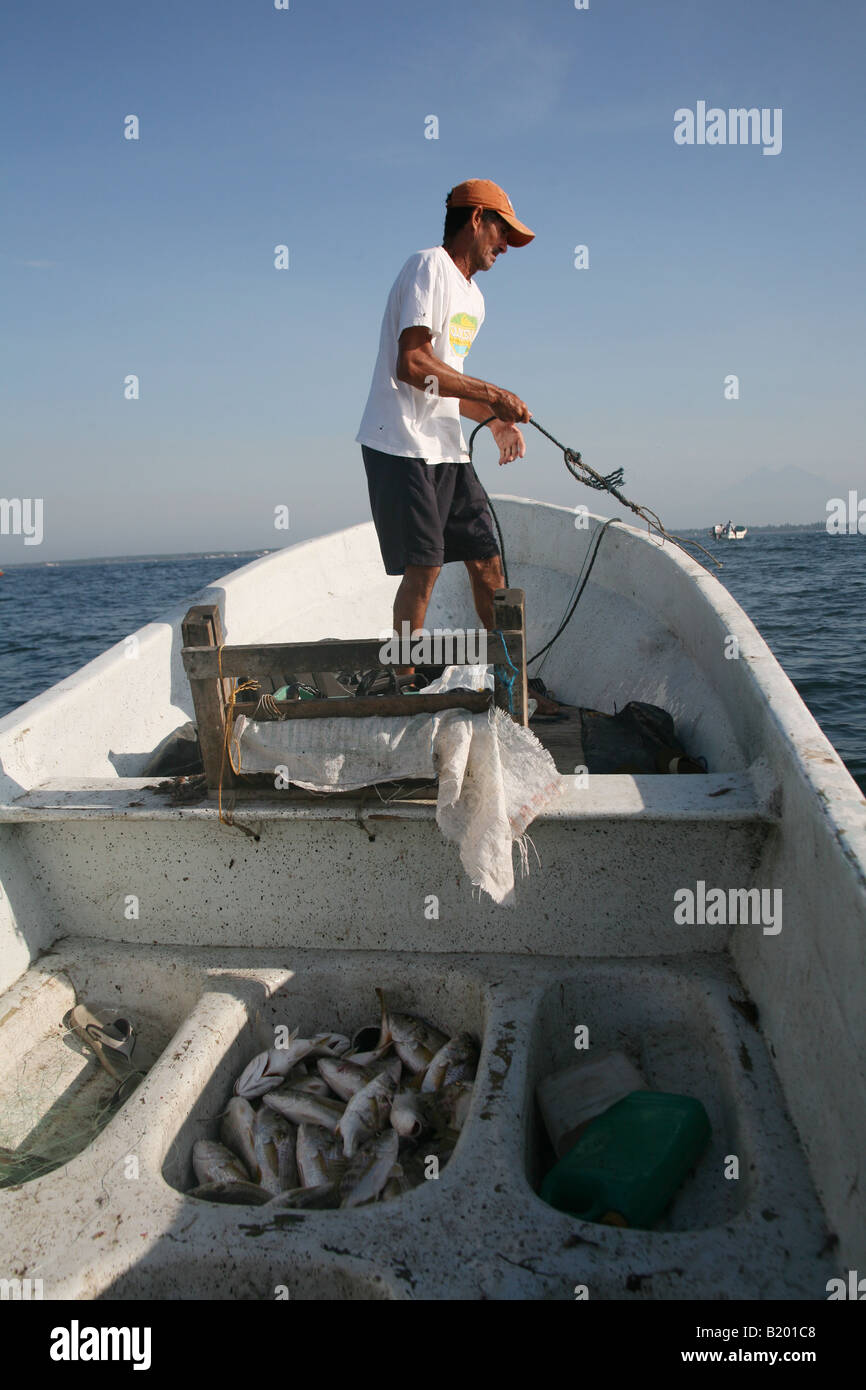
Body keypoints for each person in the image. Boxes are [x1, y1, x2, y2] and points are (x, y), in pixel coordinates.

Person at [356, 178, 538, 645]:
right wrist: (494, 393)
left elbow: (444, 380)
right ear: (476, 219)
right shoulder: (427, 267)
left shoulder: (475, 299)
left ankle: (508, 674)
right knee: (425, 566)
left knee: (486, 558)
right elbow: (413, 363)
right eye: (503, 231)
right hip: (400, 441)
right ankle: (403, 672)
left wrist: (494, 420)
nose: (506, 246)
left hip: (446, 448)